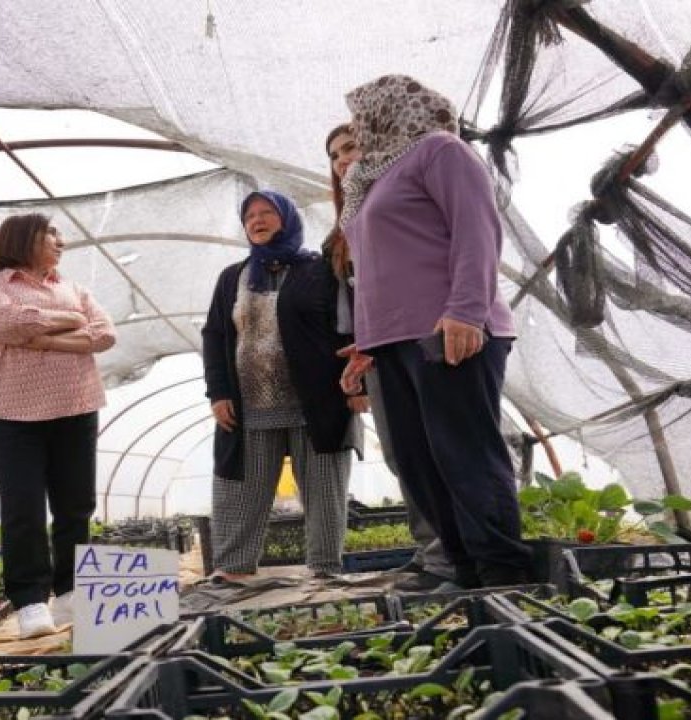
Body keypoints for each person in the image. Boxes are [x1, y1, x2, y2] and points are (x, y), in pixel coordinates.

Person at [338, 75, 531, 588]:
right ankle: (463, 571)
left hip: (448, 327)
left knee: (463, 453)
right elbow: (381, 267)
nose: (358, 124)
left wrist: (467, 311)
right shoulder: (371, 176)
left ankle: (502, 570)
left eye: (363, 112)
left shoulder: (440, 152)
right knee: (420, 464)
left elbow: (477, 229)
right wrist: (368, 337)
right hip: (392, 338)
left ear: (393, 108)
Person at [0, 213, 116, 638]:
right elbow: (11, 323)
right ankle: (31, 602)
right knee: (24, 508)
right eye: (51, 233)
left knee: (76, 505)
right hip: (11, 412)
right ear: (23, 238)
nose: (61, 241)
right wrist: (71, 321)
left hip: (75, 405)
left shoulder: (74, 288)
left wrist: (46, 338)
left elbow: (105, 335)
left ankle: (72, 593)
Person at [203, 190, 361, 581]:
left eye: (266, 212)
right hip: (250, 405)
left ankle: (325, 568)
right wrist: (219, 392)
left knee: (325, 487)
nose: (257, 220)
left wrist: (359, 386)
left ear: (287, 218)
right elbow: (215, 335)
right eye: (250, 215)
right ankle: (234, 568)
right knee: (240, 488)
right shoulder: (232, 278)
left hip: (318, 402)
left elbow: (347, 327)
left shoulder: (320, 270)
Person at [324, 122, 455, 592]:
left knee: (441, 449)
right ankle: (430, 553)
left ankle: (454, 557)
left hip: (425, 336)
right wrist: (362, 348)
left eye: (350, 148)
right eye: (335, 156)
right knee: (404, 454)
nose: (342, 160)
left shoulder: (405, 201)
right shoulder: (346, 229)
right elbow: (361, 296)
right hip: (380, 347)